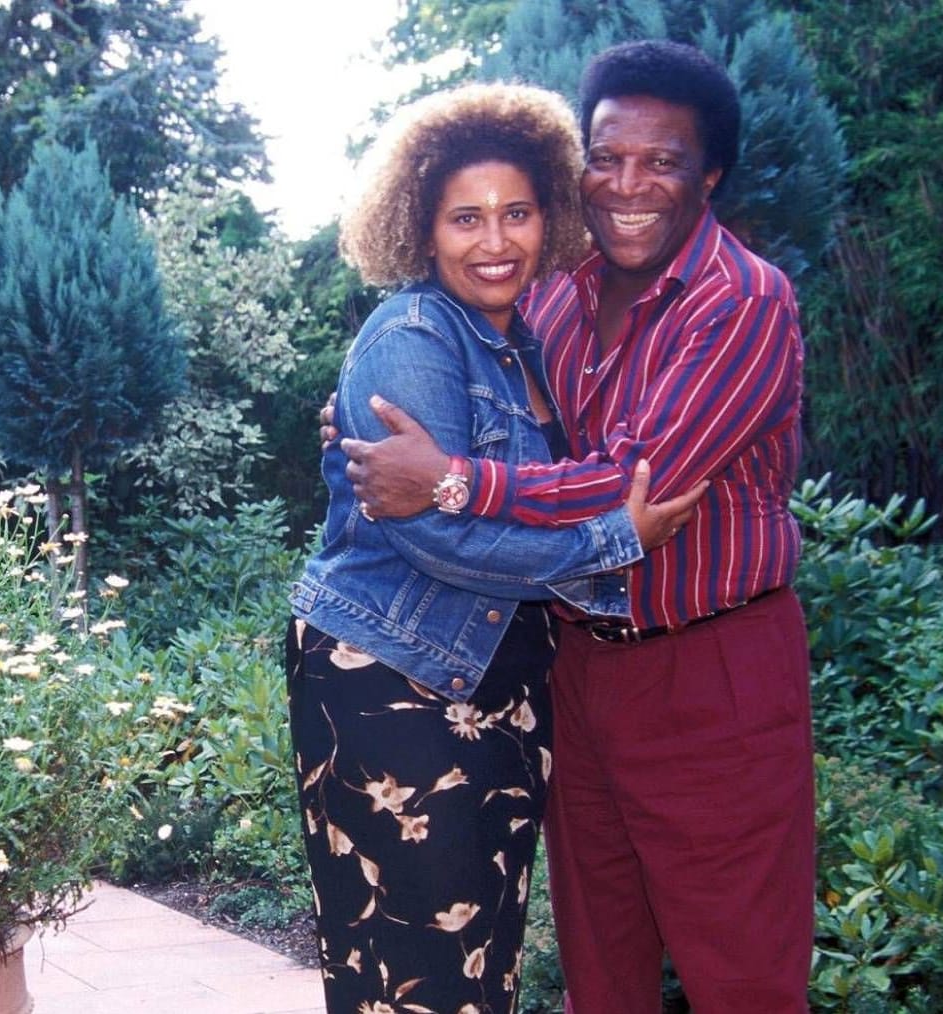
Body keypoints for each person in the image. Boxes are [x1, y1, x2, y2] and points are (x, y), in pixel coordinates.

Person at [332, 41, 814, 1014]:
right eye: (607, 157)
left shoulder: (744, 302)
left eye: (663, 161)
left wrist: (452, 483)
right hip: (576, 666)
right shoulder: (555, 292)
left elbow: (631, 488)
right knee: (604, 972)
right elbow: (455, 405)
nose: (628, 184)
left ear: (709, 174)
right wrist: (365, 423)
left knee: (743, 978)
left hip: (713, 669)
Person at [287, 81, 703, 1014]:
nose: (494, 241)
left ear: (546, 218)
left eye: (516, 214)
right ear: (420, 229)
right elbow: (437, 534)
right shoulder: (414, 333)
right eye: (464, 218)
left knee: (478, 961)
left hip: (499, 683)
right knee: (419, 968)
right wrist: (610, 545)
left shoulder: (520, 342)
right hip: (393, 678)